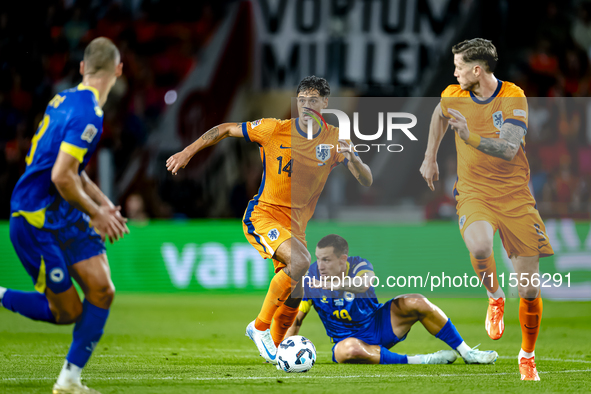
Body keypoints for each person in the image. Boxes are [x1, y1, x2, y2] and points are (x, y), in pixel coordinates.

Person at [166, 76, 372, 364]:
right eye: (302, 101)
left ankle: (275, 350)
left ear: (325, 103)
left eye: (313, 100)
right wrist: (188, 151)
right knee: (300, 263)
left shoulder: (336, 140)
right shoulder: (274, 129)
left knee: (297, 290)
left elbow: (366, 180)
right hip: (263, 215)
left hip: (295, 228)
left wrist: (356, 161)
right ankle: (259, 327)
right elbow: (225, 129)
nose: (307, 106)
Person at [419, 38, 554, 381]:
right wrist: (430, 156)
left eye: (459, 66)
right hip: (474, 191)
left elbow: (509, 148)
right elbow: (439, 114)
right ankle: (495, 297)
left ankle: (527, 355)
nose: (455, 72)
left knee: (529, 289)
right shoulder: (454, 95)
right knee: (479, 245)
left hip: (515, 197)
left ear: (476, 70)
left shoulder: (513, 96)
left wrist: (470, 137)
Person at [0, 37, 128, 394]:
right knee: (67, 312)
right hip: (34, 218)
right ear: (118, 70)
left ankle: (69, 381)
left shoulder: (65, 100)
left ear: (83, 68)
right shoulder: (88, 113)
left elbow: (74, 169)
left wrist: (102, 204)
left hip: (63, 212)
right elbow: (61, 176)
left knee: (102, 290)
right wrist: (97, 214)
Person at [286, 234, 498, 365]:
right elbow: (296, 319)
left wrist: (334, 285)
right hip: (346, 340)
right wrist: (285, 349)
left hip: (379, 324)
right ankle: (424, 360)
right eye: (318, 259)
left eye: (326, 260)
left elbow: (365, 284)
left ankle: (467, 353)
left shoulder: (359, 265)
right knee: (349, 351)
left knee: (417, 300)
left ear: (343, 260)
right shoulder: (311, 279)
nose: (320, 266)